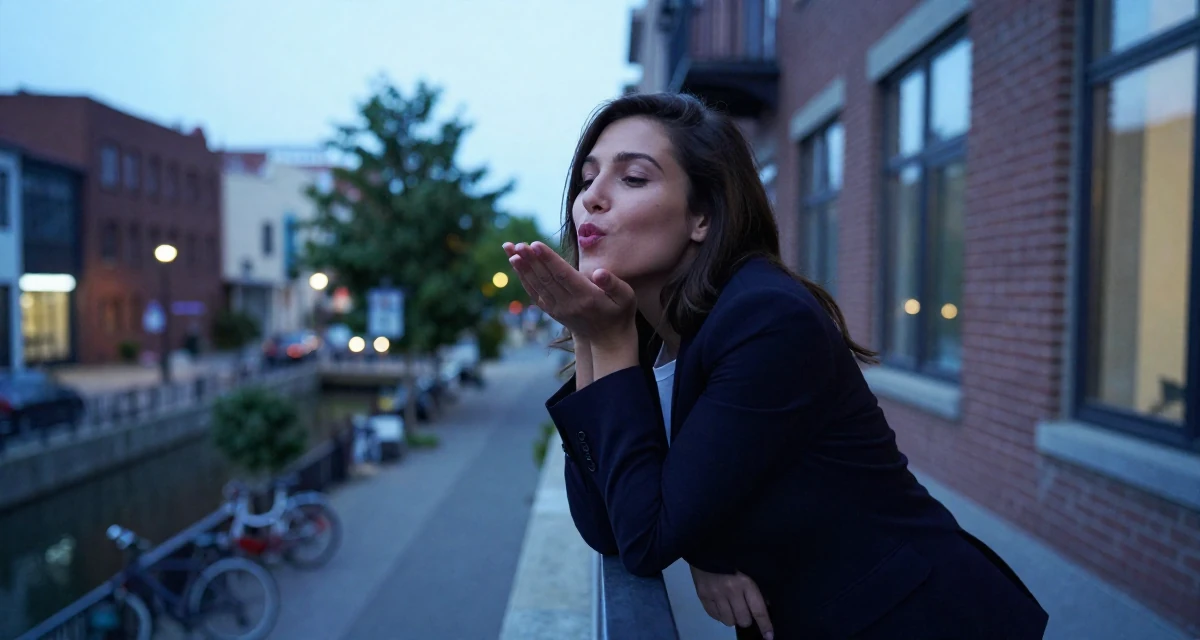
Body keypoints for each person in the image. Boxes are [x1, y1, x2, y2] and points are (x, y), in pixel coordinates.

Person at [503, 92, 1048, 639]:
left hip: (917, 617)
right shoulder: (654, 333)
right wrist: (589, 334)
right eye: (587, 178)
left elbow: (644, 539)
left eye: (633, 179)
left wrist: (607, 340)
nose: (590, 200)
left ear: (703, 216)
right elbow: (609, 527)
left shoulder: (765, 318)